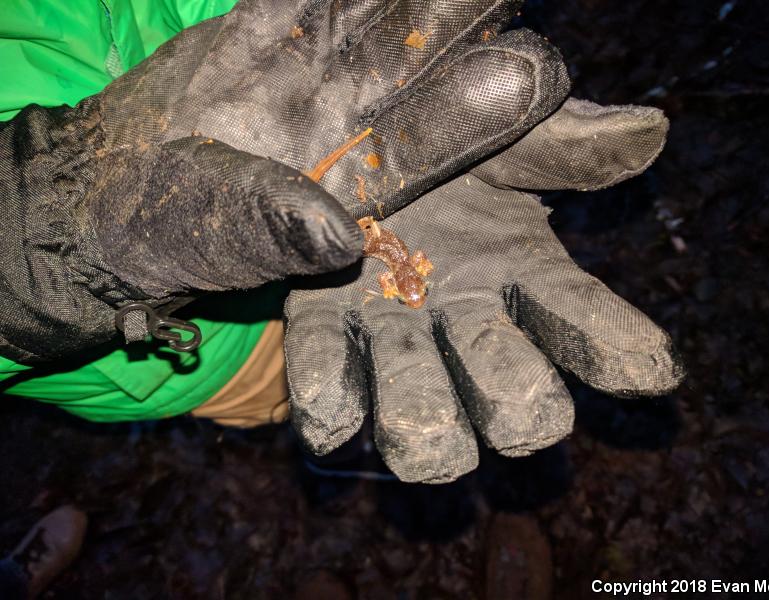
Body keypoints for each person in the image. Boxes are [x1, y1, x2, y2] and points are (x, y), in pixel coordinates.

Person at [0, 0, 683, 484]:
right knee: (287, 388)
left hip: (219, 97)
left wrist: (306, 70)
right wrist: (34, 251)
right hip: (144, 353)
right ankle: (280, 418)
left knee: (366, 352)